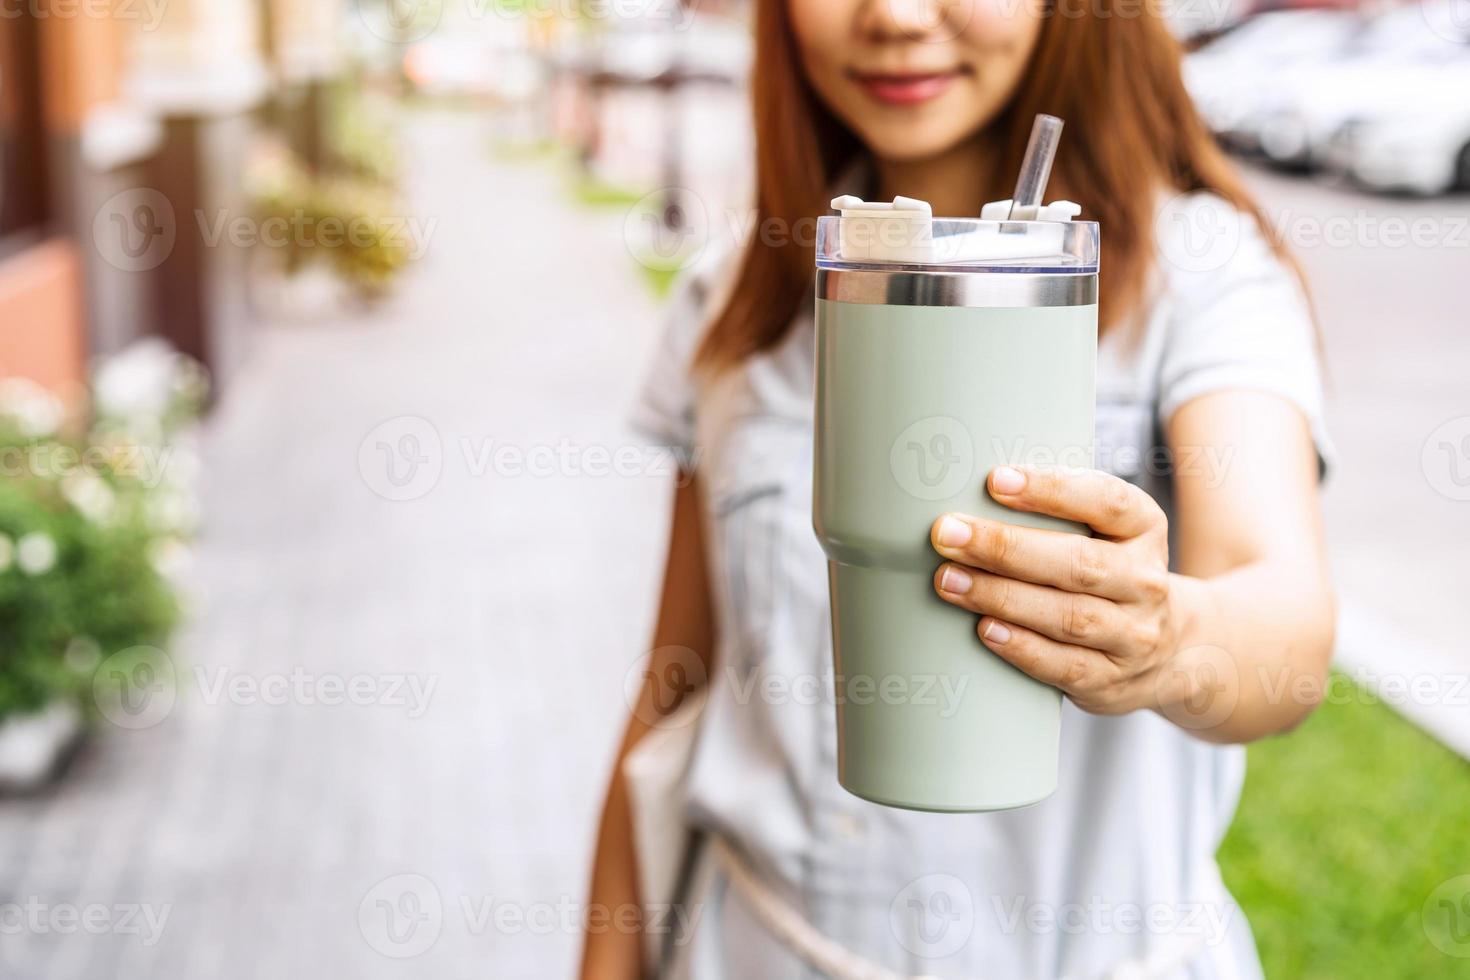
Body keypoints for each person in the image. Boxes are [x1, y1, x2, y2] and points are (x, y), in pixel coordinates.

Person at [582, 0, 1336, 976]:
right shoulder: (731, 296)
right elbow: (672, 683)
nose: (894, 17)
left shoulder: (1200, 276)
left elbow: (1287, 620)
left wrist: (1169, 636)